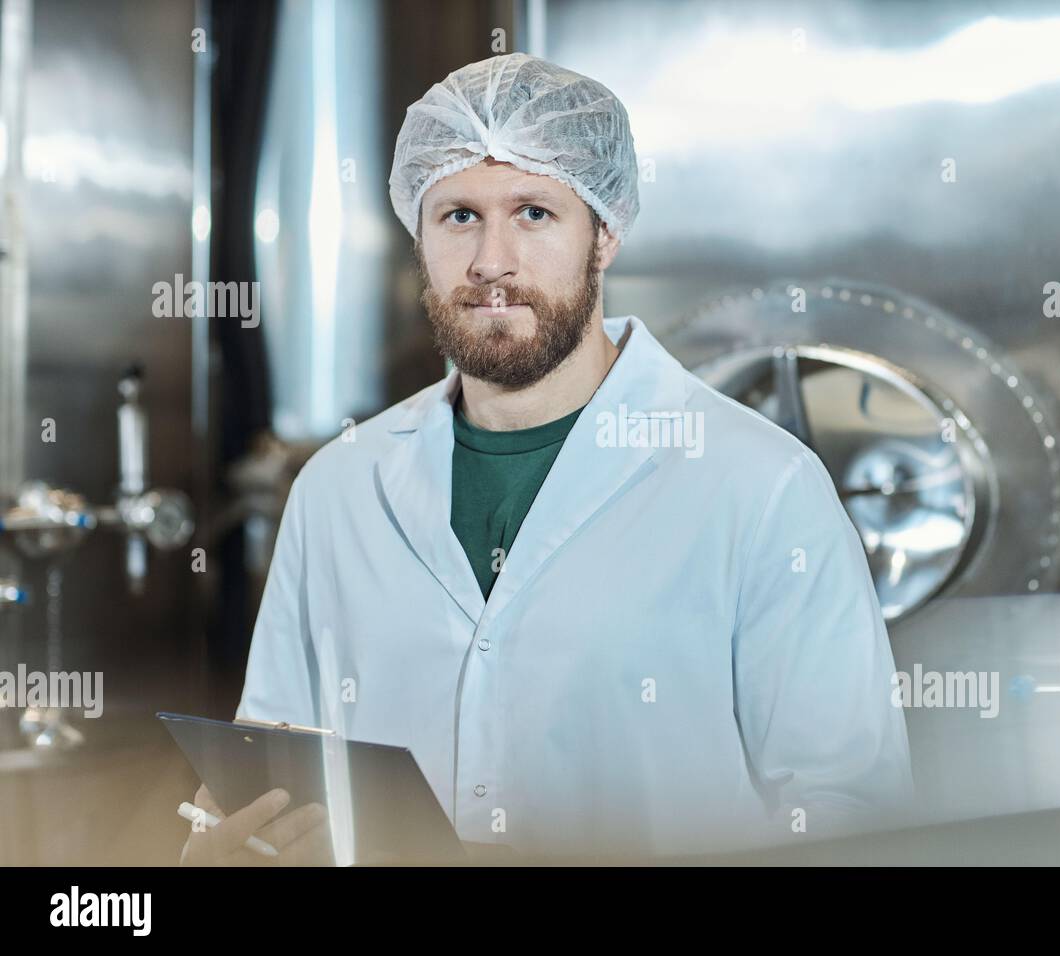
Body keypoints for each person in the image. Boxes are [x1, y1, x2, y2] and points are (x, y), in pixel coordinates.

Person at [182, 52, 912, 864]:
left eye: (533, 212)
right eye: (458, 215)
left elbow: (850, 814)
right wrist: (223, 850)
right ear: (416, 235)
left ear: (604, 234)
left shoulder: (761, 486)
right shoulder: (340, 488)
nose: (492, 260)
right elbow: (273, 779)